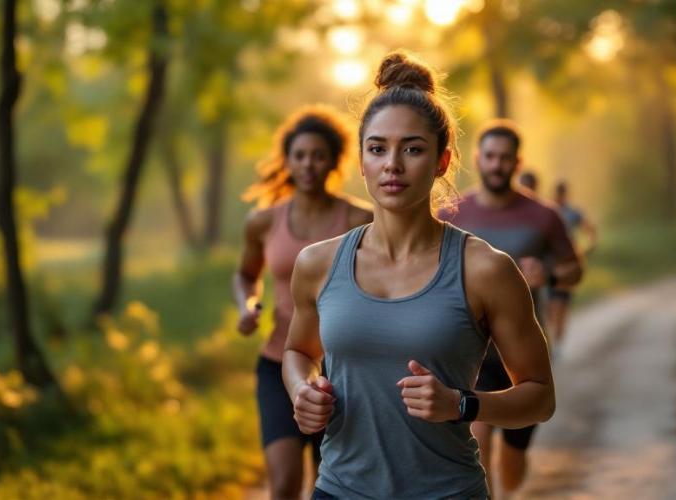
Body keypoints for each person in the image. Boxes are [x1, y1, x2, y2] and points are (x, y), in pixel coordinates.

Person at [282, 50, 555, 500]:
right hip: (339, 490)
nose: (392, 164)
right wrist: (301, 390)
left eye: (412, 148)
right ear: (362, 161)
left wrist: (461, 404)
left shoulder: (486, 269)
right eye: (377, 149)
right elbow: (298, 350)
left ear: (442, 162)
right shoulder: (317, 264)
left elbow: (541, 397)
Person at [234, 105, 372, 499]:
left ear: (334, 161)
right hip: (279, 363)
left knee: (328, 486)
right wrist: (247, 305)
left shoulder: (359, 220)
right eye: (299, 155)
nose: (308, 164)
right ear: (287, 161)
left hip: (342, 371)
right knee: (283, 483)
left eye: (318, 155)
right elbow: (245, 274)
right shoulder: (262, 222)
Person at [442, 119, 583, 497]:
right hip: (472, 350)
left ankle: (510, 491)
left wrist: (548, 275)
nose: (497, 164)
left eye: (505, 158)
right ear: (477, 158)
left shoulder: (543, 216)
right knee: (478, 439)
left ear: (517, 162)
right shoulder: (451, 213)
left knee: (513, 457)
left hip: (523, 351)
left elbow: (575, 269)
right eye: (490, 156)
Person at [546, 180, 598, 349]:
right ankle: (551, 341)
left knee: (560, 305)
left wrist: (584, 250)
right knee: (549, 307)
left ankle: (557, 344)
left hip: (567, 266)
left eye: (561, 193)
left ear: (564, 193)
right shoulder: (548, 210)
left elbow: (590, 230)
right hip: (549, 265)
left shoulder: (572, 213)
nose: (558, 196)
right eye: (557, 192)